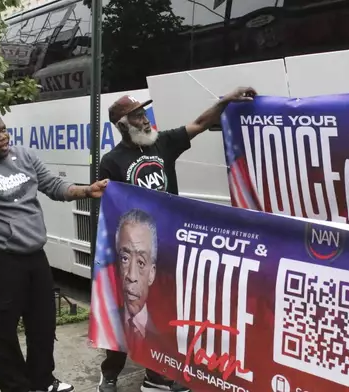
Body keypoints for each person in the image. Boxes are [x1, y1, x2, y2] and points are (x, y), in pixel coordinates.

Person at [96, 86, 257, 392]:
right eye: (139, 116)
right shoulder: (111, 161)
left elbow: (198, 123)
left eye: (145, 114)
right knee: (126, 314)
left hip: (168, 244)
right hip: (134, 249)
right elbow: (108, 210)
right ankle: (111, 371)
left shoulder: (165, 143)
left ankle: (158, 373)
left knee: (164, 311)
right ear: (123, 125)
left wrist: (224, 100)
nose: (146, 121)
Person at [0, 108, 109, 392]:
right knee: (4, 331)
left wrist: (86, 191)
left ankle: (43, 381)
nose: (3, 136)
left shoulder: (23, 156)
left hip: (34, 255)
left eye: (3, 129)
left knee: (43, 324)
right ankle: (16, 386)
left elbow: (52, 185)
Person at [115, 209, 160, 349]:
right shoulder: (108, 323)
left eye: (141, 262)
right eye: (125, 259)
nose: (131, 276)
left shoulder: (163, 332)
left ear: (151, 274)